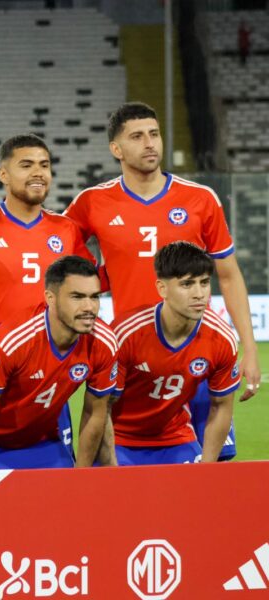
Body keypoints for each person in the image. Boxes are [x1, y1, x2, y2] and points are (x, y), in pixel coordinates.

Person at [64, 101, 259, 461]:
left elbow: (229, 275)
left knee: (214, 468)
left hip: (197, 350)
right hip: (134, 355)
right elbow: (59, 258)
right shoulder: (92, 202)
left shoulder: (200, 199)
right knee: (124, 467)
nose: (150, 143)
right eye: (137, 137)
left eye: (154, 134)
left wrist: (249, 347)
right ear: (116, 149)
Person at [0, 134, 94, 452]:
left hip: (49, 386)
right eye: (26, 165)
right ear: (3, 174)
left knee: (50, 495)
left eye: (44, 165)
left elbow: (88, 290)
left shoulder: (66, 230)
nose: (38, 172)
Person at [0, 256, 117, 470]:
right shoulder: (12, 342)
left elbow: (94, 412)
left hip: (41, 442)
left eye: (94, 297)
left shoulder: (103, 342)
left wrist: (81, 475)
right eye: (77, 297)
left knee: (65, 500)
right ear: (50, 298)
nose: (89, 307)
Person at [110, 241, 239, 465]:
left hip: (176, 438)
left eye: (204, 283)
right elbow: (101, 408)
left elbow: (221, 406)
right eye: (187, 284)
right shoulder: (125, 334)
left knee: (199, 497)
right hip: (120, 440)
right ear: (162, 288)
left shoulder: (222, 339)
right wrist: (110, 465)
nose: (199, 294)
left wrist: (206, 467)